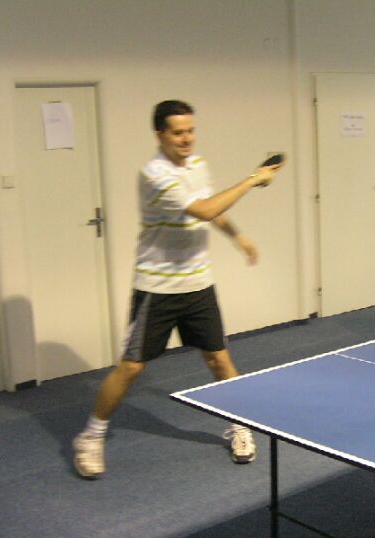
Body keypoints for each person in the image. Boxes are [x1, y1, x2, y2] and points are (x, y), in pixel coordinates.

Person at [72, 99, 284, 478]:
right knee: (132, 367)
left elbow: (214, 208)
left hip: (198, 284)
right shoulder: (154, 175)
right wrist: (253, 179)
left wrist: (238, 237)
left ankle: (239, 425)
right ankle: (91, 435)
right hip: (157, 287)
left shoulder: (198, 165)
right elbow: (203, 210)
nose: (186, 138)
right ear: (160, 135)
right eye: (178, 132)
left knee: (219, 359)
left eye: (190, 131)